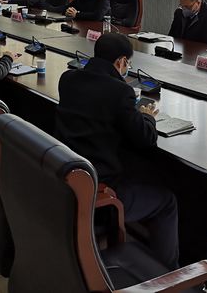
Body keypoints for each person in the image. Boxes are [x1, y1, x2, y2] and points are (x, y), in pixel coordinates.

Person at [55, 33, 179, 270]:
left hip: (69, 180)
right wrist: (147, 117)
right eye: (128, 63)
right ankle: (167, 274)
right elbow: (146, 139)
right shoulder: (120, 92)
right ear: (121, 61)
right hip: (100, 193)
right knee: (167, 201)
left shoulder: (68, 78)